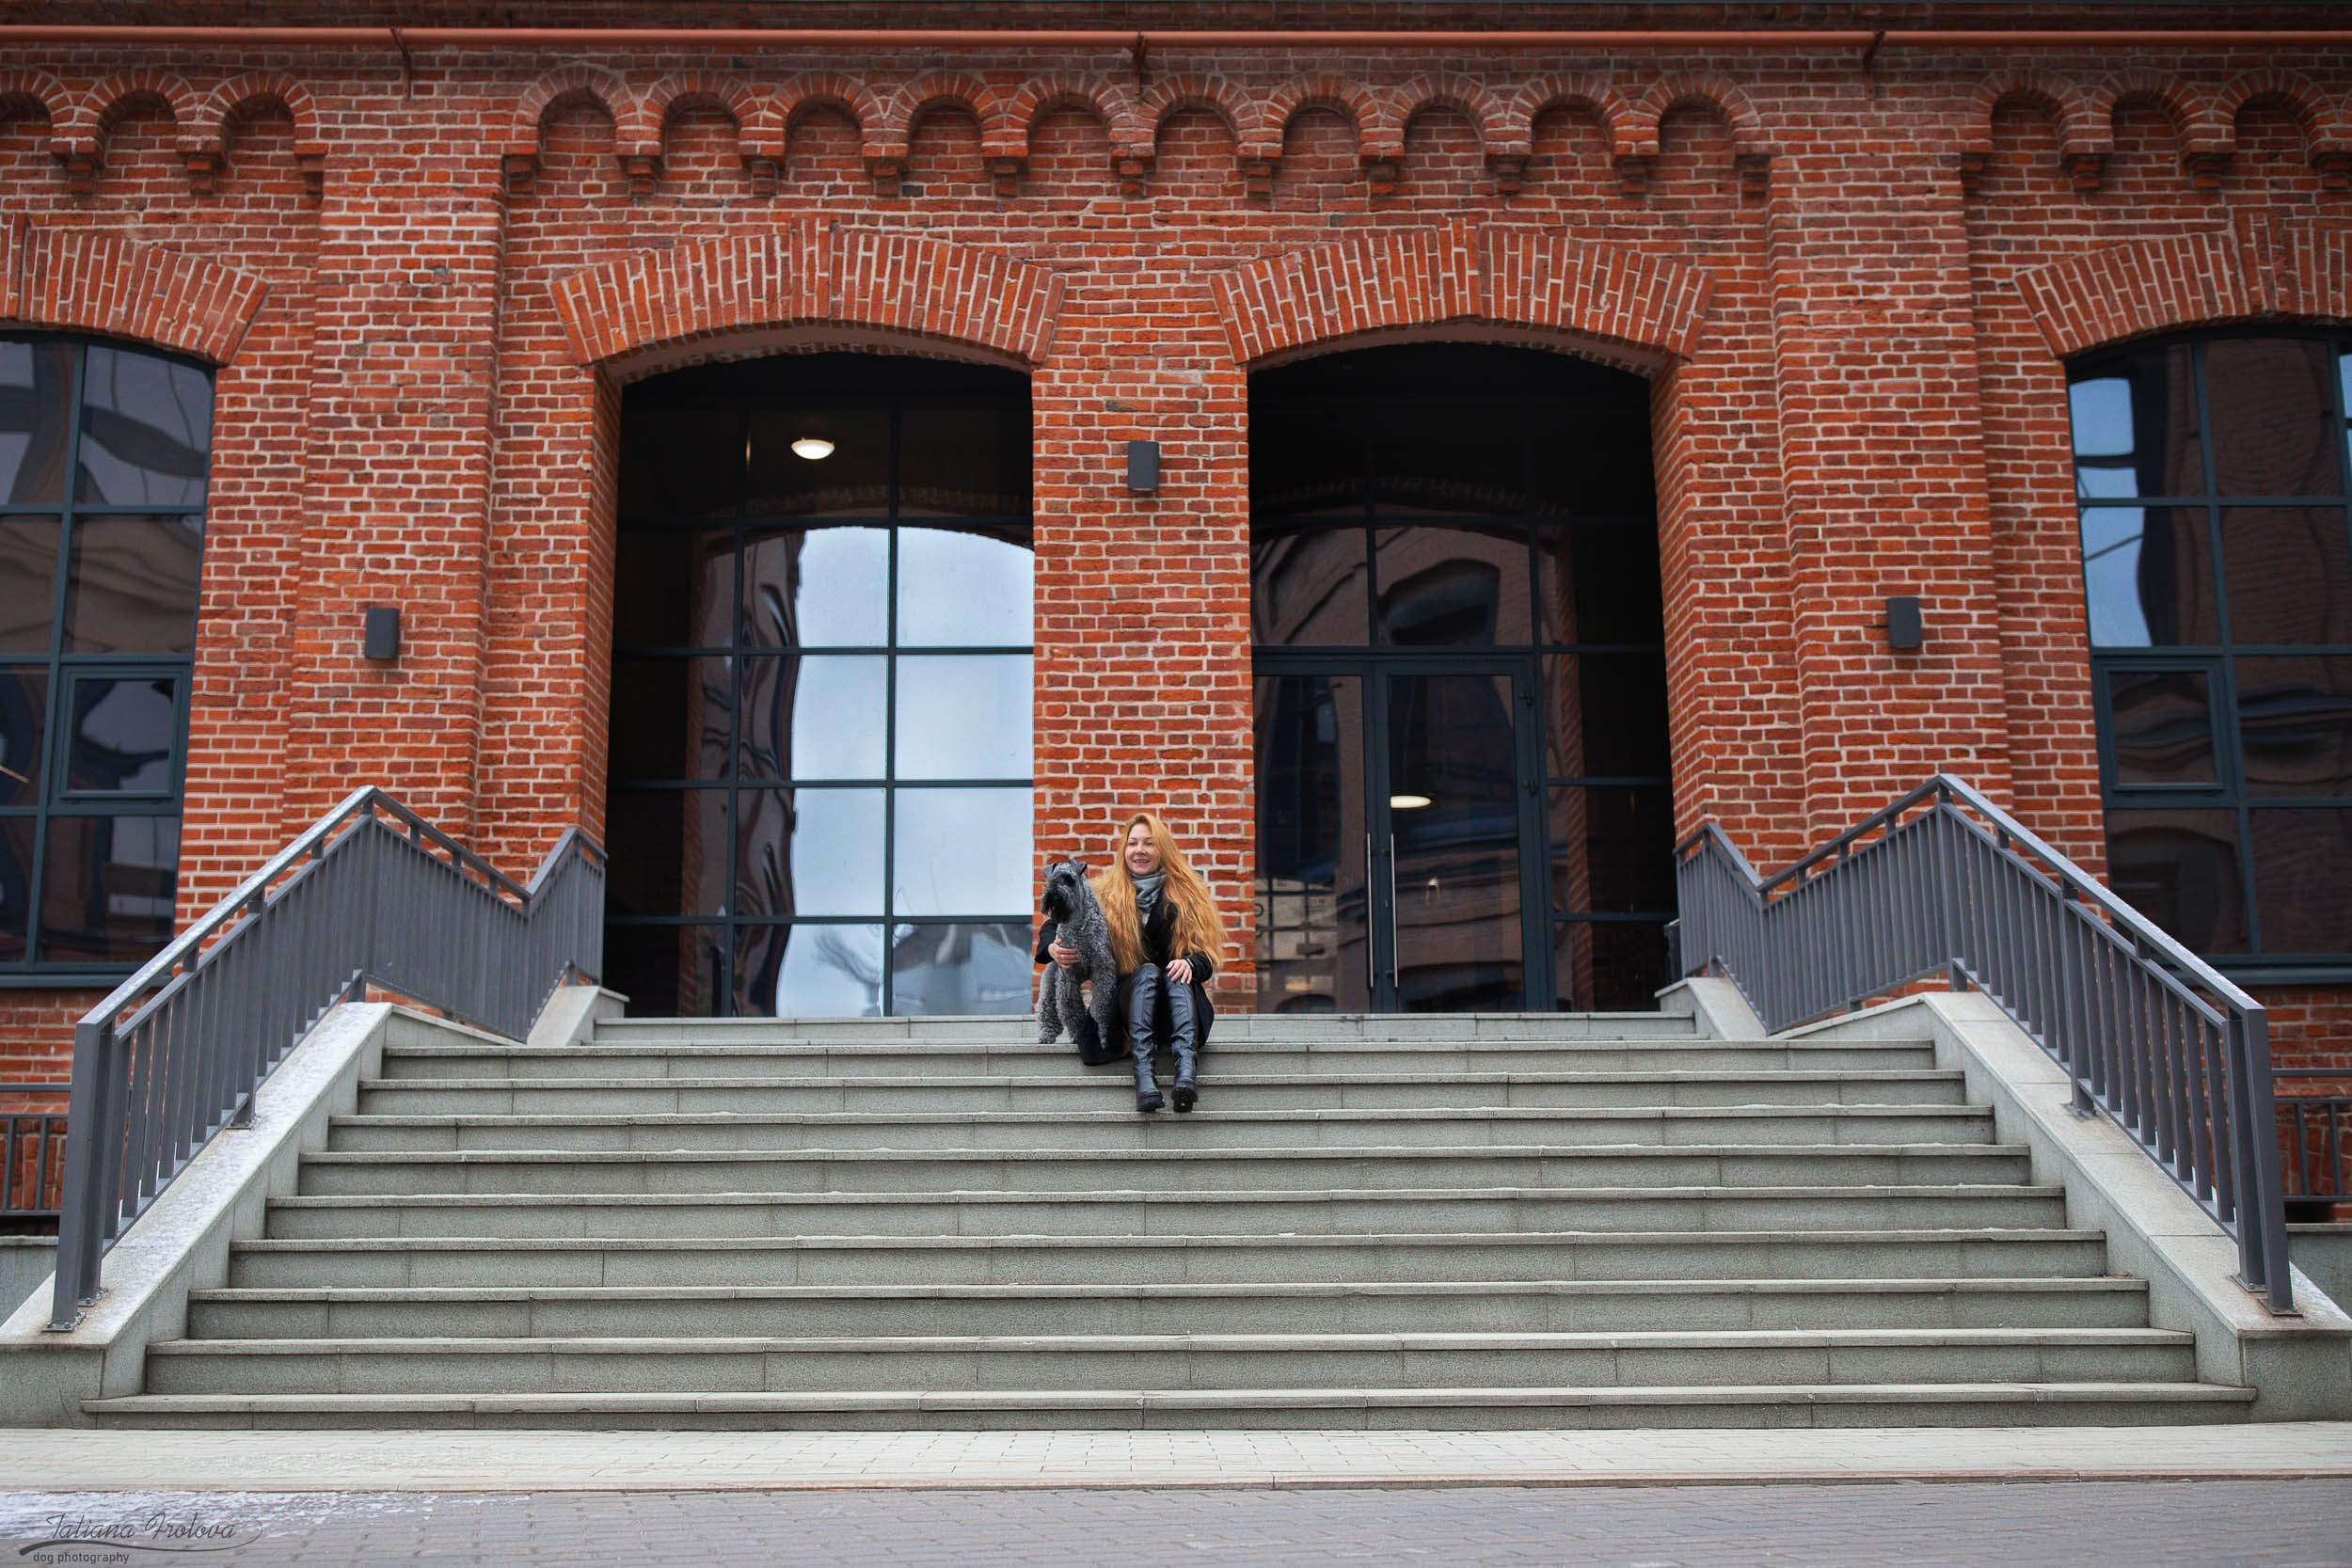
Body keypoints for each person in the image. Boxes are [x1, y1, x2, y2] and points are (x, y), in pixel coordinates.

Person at [1041, 812, 1224, 1114]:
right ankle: (1144, 1076)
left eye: (1149, 844)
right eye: (1133, 843)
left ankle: (1186, 1075)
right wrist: (1052, 946)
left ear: (1162, 850)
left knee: (1175, 973)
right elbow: (1055, 918)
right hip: (1126, 1008)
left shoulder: (1189, 893)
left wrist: (1191, 964)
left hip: (1178, 1008)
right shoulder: (1103, 892)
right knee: (1148, 971)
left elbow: (1206, 959)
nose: (1139, 850)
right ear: (1123, 850)